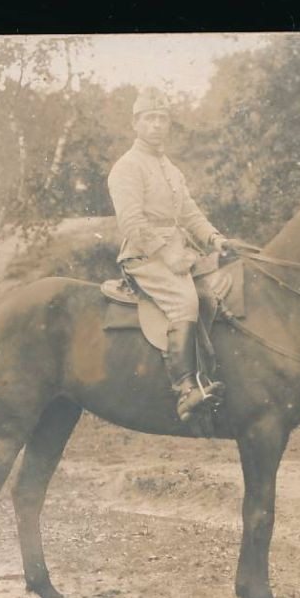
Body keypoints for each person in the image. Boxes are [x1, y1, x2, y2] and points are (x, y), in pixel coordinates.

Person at [108, 87, 232, 427]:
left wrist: (214, 238)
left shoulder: (169, 168)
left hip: (178, 252)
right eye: (150, 119)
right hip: (145, 256)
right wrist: (167, 255)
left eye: (163, 119)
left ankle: (206, 375)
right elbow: (132, 222)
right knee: (185, 303)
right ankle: (185, 390)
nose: (157, 126)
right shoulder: (127, 167)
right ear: (136, 123)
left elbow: (189, 213)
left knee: (213, 293)